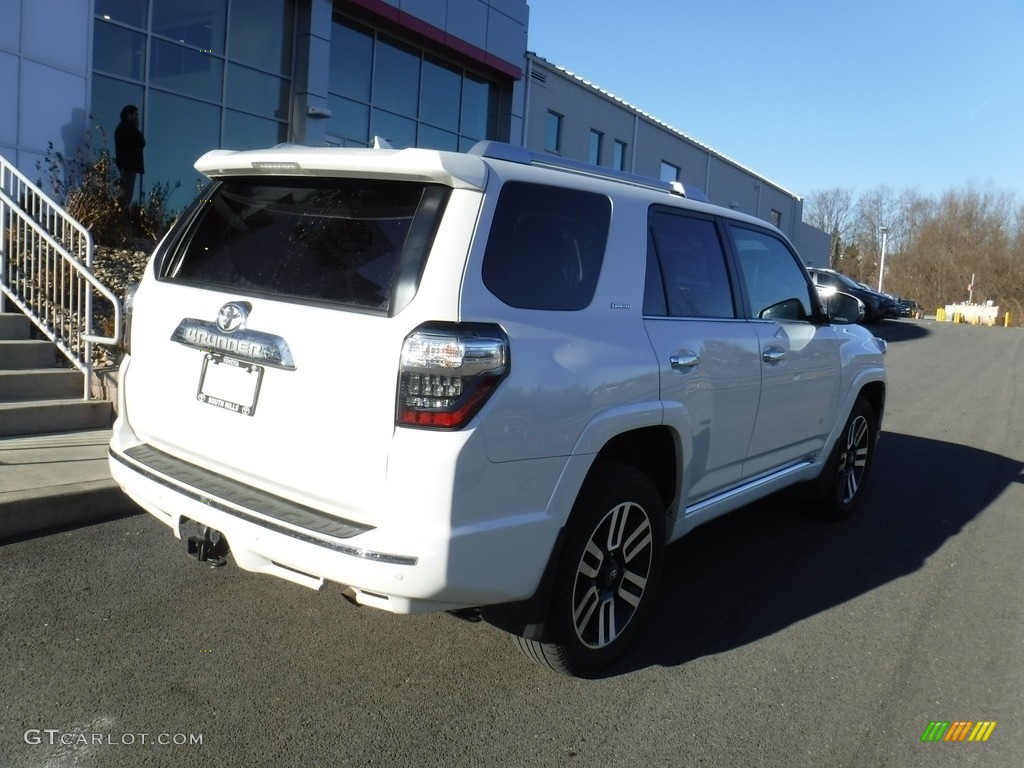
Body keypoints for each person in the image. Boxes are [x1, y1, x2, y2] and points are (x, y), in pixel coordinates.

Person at [114, 104, 145, 212]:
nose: (137, 117)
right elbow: (140, 142)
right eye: (135, 114)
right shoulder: (127, 128)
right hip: (128, 166)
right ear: (129, 115)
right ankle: (122, 216)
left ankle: (122, 213)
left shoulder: (124, 128)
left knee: (126, 193)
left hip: (128, 166)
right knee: (126, 194)